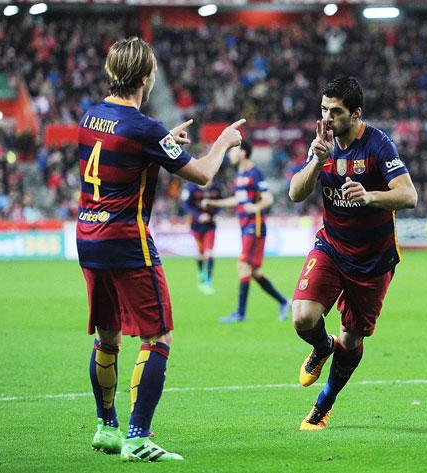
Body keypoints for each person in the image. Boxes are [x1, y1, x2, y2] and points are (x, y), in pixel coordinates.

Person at [77, 37, 244, 462]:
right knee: (158, 336)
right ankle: (138, 436)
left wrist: (162, 144)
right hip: (126, 240)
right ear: (148, 77)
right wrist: (223, 141)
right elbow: (204, 173)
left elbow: (126, 152)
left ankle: (106, 427)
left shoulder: (90, 117)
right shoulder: (144, 128)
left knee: (107, 337)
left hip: (88, 237)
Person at [288, 76, 417, 430]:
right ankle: (320, 347)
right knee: (301, 318)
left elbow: (409, 196)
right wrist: (316, 161)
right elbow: (295, 194)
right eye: (324, 110)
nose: (328, 118)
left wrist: (371, 196)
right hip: (331, 246)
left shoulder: (377, 145)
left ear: (356, 113)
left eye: (336, 111)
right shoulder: (322, 143)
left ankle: (323, 405)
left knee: (353, 337)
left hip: (372, 261)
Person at [203, 141, 291, 323]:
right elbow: (238, 200)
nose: (230, 154)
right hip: (245, 226)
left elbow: (268, 198)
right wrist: (214, 204)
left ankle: (240, 314)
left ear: (243, 153)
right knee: (255, 272)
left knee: (243, 265)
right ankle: (283, 302)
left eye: (233, 150)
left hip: (255, 225)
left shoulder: (254, 172)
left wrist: (255, 207)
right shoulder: (239, 175)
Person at [182, 179, 222, 294]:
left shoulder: (216, 188)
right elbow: (185, 205)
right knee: (199, 254)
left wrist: (217, 215)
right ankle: (200, 272)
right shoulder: (191, 188)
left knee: (209, 253)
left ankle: (208, 282)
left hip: (210, 226)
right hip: (196, 226)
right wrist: (199, 215)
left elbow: (221, 203)